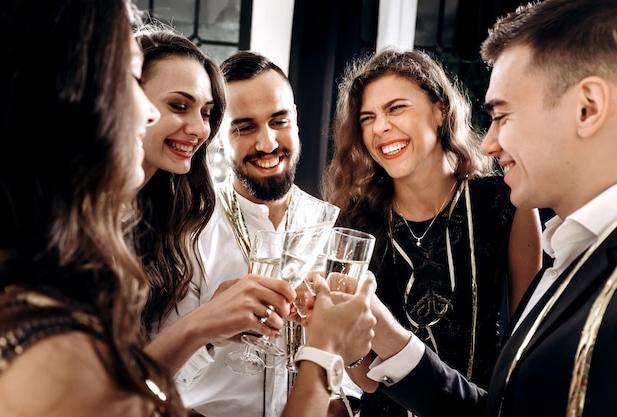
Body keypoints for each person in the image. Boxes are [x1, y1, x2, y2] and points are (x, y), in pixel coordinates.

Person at [347, 0, 617, 416]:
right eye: (368, 117)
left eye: (503, 115)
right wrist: (377, 338)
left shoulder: (505, 205)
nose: (489, 145)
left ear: (588, 108)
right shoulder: (568, 248)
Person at [321, 47, 543, 417]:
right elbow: (365, 376)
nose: (380, 127)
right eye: (367, 117)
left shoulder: (506, 200)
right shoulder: (354, 220)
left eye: (396, 108)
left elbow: (527, 338)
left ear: (441, 110)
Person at [0, 0, 187, 416]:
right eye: (133, 77)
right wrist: (322, 357)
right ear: (67, 96)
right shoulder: (59, 366)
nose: (148, 112)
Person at [169, 50, 361, 417]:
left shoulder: (334, 230)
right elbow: (160, 377)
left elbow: (352, 373)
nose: (268, 143)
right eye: (244, 127)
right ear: (219, 138)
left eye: (279, 121)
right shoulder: (189, 232)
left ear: (296, 122)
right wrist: (210, 328)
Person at [131, 25, 297, 382]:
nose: (199, 128)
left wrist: (211, 333)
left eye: (207, 114)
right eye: (178, 106)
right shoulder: (77, 220)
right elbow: (111, 387)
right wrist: (202, 323)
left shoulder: (164, 213)